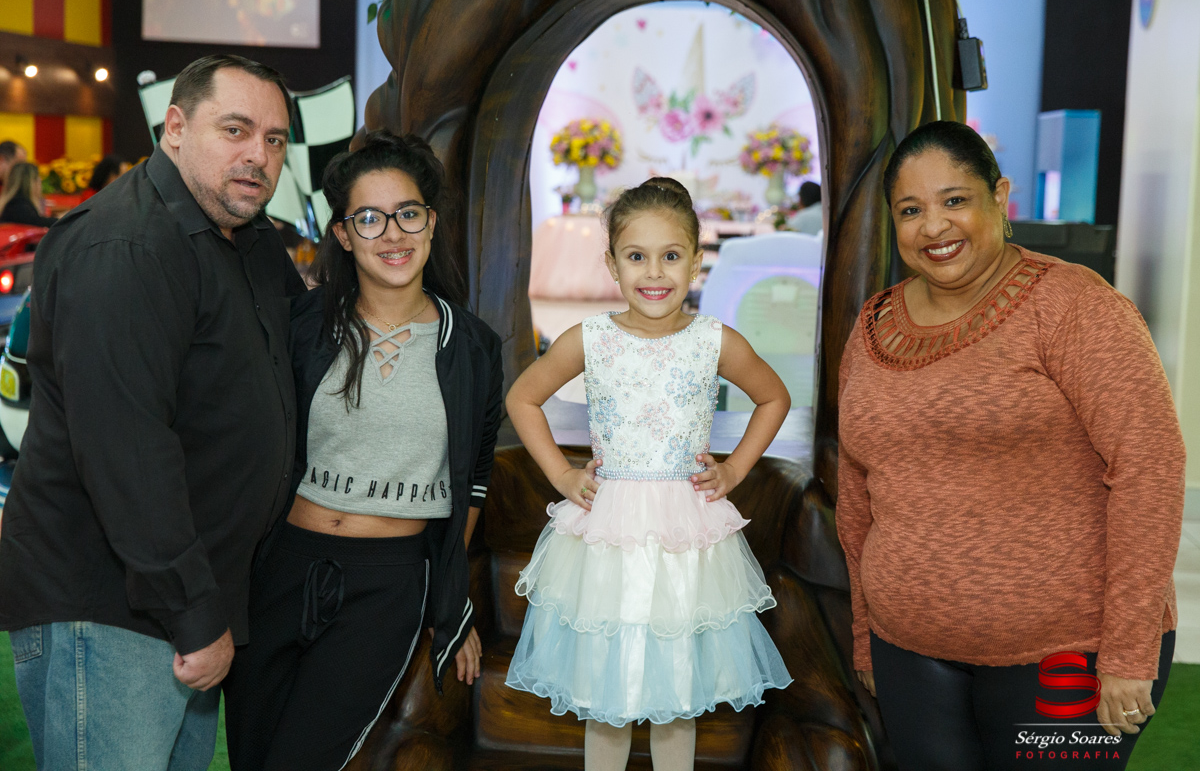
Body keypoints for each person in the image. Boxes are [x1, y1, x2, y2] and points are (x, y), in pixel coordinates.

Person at [836, 120, 1183, 771]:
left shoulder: (1075, 307)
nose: (934, 226)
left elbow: (1149, 467)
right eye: (910, 210)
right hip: (908, 651)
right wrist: (864, 633)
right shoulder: (875, 324)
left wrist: (1130, 649)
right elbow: (856, 496)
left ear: (999, 196)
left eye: (955, 200)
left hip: (1067, 654)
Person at [0, 54, 305, 771]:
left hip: (184, 599)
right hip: (114, 607)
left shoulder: (248, 239)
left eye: (273, 139)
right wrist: (193, 612)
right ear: (175, 127)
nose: (257, 155)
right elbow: (126, 452)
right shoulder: (127, 245)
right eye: (235, 129)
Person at [222, 131, 503, 771]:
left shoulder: (472, 347)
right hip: (281, 568)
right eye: (369, 218)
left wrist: (450, 600)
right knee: (253, 757)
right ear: (344, 235)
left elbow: (475, 481)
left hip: (388, 583)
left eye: (408, 213)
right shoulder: (301, 326)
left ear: (431, 223)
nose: (392, 233)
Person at [505, 177, 794, 770]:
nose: (654, 272)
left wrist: (736, 469)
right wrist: (561, 476)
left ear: (696, 260)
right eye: (636, 257)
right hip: (610, 532)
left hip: (684, 533)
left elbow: (773, 397)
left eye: (671, 255)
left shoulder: (714, 340)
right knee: (604, 693)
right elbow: (523, 398)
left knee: (677, 695)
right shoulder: (591, 339)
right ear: (612, 264)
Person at [0, 162, 57, 227]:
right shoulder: (18, 205)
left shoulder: (13, 202)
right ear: (32, 182)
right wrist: (61, 220)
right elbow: (37, 223)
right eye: (39, 178)